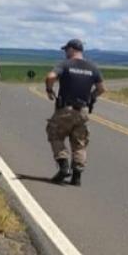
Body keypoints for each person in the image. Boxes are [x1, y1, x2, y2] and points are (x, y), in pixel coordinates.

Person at [44, 39, 106, 186]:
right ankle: (76, 176)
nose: (65, 53)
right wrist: (91, 97)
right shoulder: (92, 67)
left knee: (55, 134)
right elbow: (102, 88)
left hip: (66, 109)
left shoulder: (66, 64)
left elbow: (51, 76)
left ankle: (63, 165)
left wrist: (49, 89)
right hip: (82, 111)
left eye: (66, 50)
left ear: (72, 50)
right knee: (79, 143)